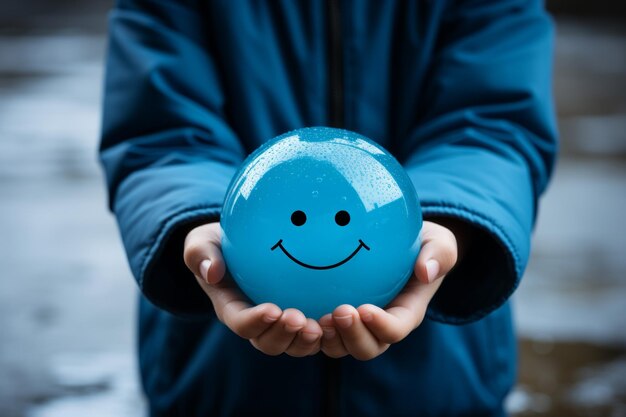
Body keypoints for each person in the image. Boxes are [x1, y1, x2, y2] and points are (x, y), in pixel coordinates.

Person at [99, 1, 557, 416]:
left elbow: (496, 123)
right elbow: (158, 132)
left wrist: (455, 224)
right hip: (219, 378)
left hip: (439, 377)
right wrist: (198, 223)